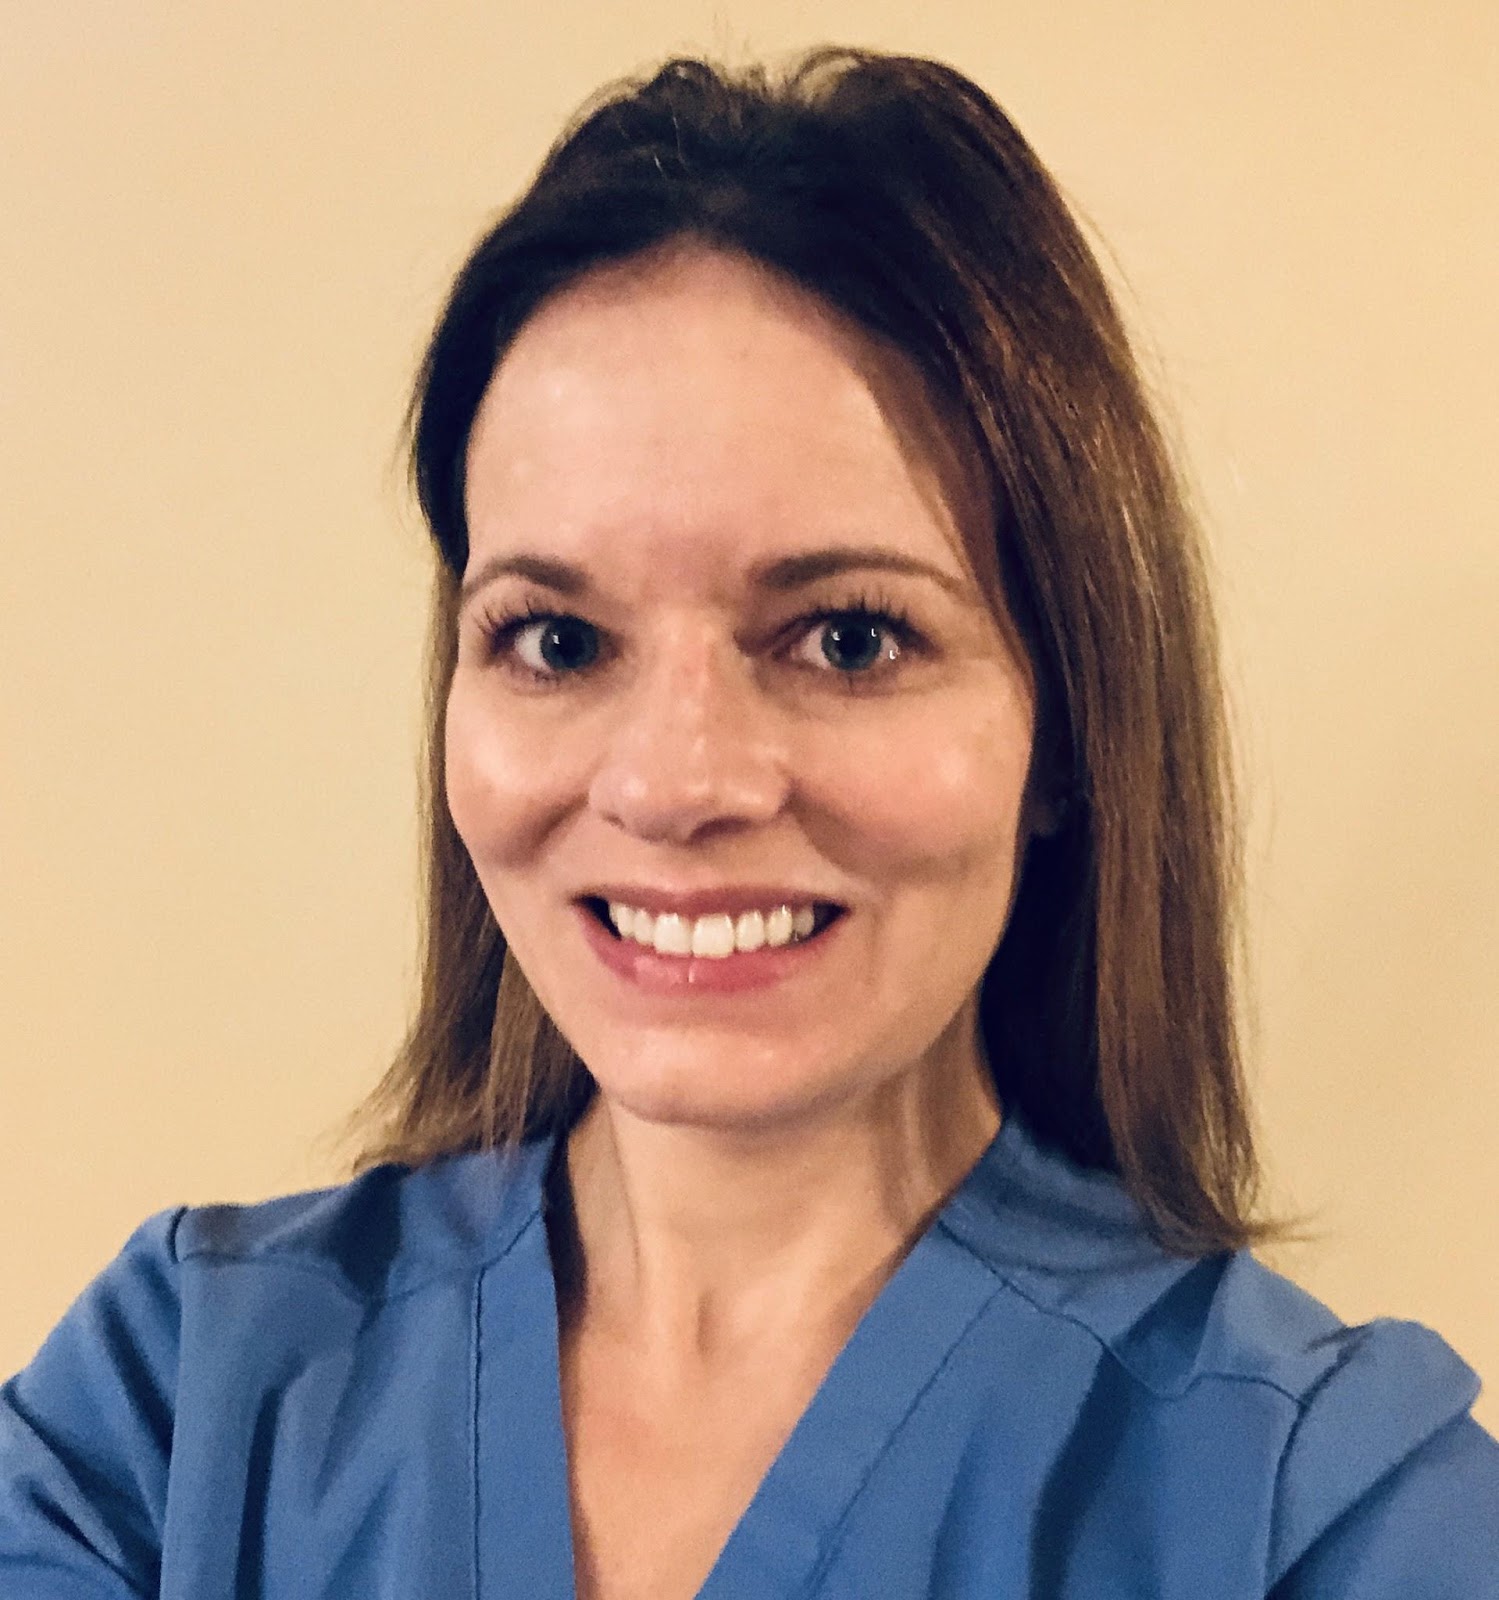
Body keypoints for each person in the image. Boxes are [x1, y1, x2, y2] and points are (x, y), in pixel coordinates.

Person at [2, 46, 1495, 1600]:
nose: (673, 784)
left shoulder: (1324, 1514)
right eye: (556, 640)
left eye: (848, 638)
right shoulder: (167, 1416)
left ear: (1066, 726)